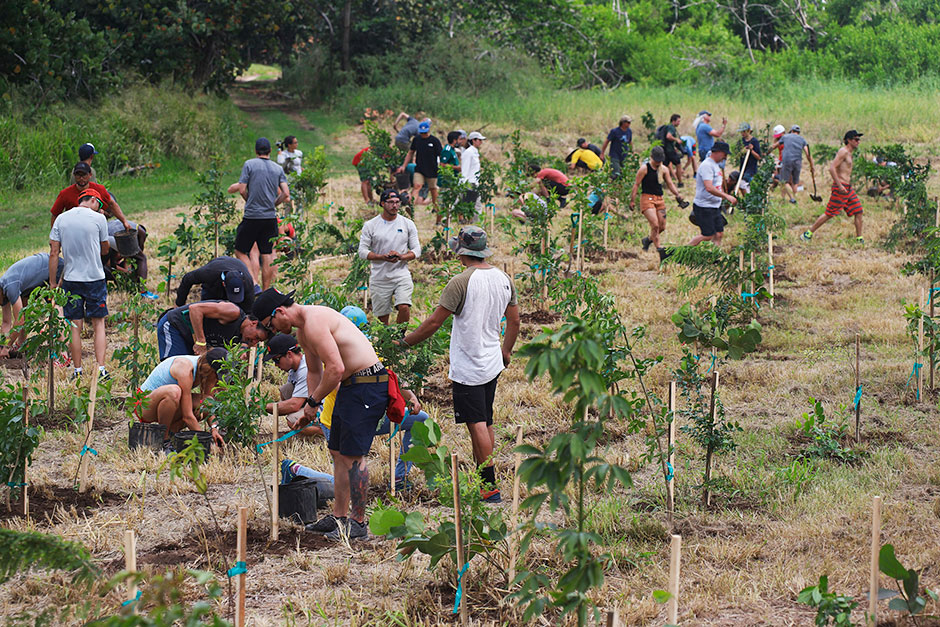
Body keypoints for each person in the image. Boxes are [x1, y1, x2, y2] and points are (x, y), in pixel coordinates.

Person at [253, 289, 389, 541]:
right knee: (337, 451)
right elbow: (315, 373)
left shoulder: (315, 322)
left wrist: (314, 401)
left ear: (280, 312)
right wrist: (310, 406)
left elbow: (335, 368)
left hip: (367, 384)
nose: (271, 330)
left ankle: (358, 522)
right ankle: (339, 517)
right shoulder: (304, 331)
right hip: (351, 387)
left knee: (353, 456)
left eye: (269, 325)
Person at [400, 226, 520, 503]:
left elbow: (433, 322)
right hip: (491, 361)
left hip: (470, 365)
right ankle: (483, 479)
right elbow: (513, 321)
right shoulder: (503, 278)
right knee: (485, 419)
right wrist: (506, 351)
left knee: (476, 422)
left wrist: (405, 343)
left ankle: (489, 487)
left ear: (461, 251)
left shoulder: (461, 282)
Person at [49, 188, 111, 381]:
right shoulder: (99, 219)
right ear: (93, 200)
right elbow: (105, 247)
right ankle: (100, 369)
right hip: (94, 278)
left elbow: (53, 252)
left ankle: (77, 370)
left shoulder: (61, 219)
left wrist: (52, 282)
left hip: (71, 279)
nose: (99, 209)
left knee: (74, 326)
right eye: (99, 205)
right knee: (98, 324)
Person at [227, 138, 291, 290]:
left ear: (256, 151)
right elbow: (286, 193)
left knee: (240, 250)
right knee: (267, 254)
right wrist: (274, 204)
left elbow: (242, 189)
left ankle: (254, 283)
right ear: (269, 151)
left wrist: (249, 201)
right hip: (270, 218)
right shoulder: (277, 168)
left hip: (252, 217)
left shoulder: (249, 164)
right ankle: (266, 290)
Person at [138, 348, 228, 449]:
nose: (216, 380)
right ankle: (164, 440)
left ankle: (173, 431)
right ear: (210, 370)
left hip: (163, 405)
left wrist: (214, 428)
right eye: (216, 376)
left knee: (206, 401)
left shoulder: (202, 368)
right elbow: (187, 416)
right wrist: (204, 443)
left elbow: (208, 405)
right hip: (143, 405)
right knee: (174, 392)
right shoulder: (185, 369)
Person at [358, 189, 421, 324]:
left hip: (401, 274)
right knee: (383, 318)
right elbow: (362, 251)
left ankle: (399, 337)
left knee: (404, 306)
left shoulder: (407, 224)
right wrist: (382, 257)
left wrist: (402, 256)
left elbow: (417, 250)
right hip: (380, 277)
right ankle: (386, 341)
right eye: (391, 202)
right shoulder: (371, 225)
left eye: (397, 202)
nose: (395, 205)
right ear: (382, 203)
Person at [265, 333, 332, 440]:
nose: (276, 365)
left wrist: (263, 406)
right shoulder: (294, 368)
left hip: (326, 407)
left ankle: (329, 432)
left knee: (292, 419)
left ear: (289, 354)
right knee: (286, 390)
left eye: (276, 360)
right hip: (315, 403)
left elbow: (294, 405)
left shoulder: (305, 369)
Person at [802, 130, 865, 243]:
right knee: (830, 213)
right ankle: (808, 234)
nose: (858, 142)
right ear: (849, 140)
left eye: (859, 139)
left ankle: (859, 238)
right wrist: (839, 185)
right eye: (856, 139)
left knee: (858, 211)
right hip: (841, 188)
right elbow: (832, 168)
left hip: (848, 189)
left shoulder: (850, 153)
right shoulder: (843, 152)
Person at [156, 300, 269, 359]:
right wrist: (201, 341)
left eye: (257, 342)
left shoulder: (240, 337)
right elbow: (195, 309)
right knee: (175, 371)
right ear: (253, 323)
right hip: (175, 326)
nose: (254, 342)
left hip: (189, 337)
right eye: (256, 337)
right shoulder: (233, 312)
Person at [0, 253, 64, 357]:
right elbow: (6, 323)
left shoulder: (9, 286)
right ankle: (21, 344)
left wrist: (7, 346)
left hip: (52, 268)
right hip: (35, 279)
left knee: (56, 309)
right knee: (25, 310)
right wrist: (2, 345)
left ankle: (63, 354)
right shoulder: (2, 293)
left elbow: (19, 321)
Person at [629, 147, 687, 259]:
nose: (658, 162)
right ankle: (660, 250)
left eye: (660, 160)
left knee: (662, 226)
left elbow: (670, 183)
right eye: (656, 160)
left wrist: (677, 195)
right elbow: (636, 184)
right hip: (647, 199)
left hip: (659, 199)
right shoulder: (644, 169)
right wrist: (632, 200)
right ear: (652, 158)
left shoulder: (664, 170)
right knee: (655, 225)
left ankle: (648, 240)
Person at [51, 162, 131, 230]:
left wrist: (124, 222)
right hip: (74, 230)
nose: (81, 178)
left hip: (96, 229)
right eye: (78, 175)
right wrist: (54, 236)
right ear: (74, 176)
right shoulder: (65, 194)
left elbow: (112, 204)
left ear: (90, 175)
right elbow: (55, 214)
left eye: (84, 175)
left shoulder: (100, 189)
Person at [688, 141, 737, 247]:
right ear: (718, 152)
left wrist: (725, 197)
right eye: (725, 154)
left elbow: (717, 186)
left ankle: (715, 257)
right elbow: (709, 187)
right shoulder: (707, 166)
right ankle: (682, 251)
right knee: (707, 235)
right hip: (704, 207)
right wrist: (726, 196)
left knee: (719, 234)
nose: (725, 157)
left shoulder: (715, 166)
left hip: (714, 206)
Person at [175, 256, 255, 313]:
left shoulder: (248, 283)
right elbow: (187, 279)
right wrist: (179, 304)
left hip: (235, 266)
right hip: (213, 284)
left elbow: (248, 311)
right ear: (224, 284)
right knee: (208, 311)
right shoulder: (208, 274)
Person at [399, 120, 442, 208]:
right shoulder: (417, 139)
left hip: (432, 170)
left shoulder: (435, 141)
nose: (423, 135)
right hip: (419, 169)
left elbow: (440, 155)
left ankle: (437, 208)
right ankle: (411, 209)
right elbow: (410, 152)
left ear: (428, 131)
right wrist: (404, 165)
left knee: (433, 190)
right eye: (422, 133)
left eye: (425, 133)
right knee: (417, 186)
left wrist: (441, 168)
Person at [778, 125, 814, 204]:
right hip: (798, 162)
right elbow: (808, 154)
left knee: (784, 181)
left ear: (791, 131)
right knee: (795, 181)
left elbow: (775, 145)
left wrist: (767, 151)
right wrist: (812, 166)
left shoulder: (786, 137)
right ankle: (794, 198)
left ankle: (792, 198)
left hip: (787, 161)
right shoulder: (802, 140)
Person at [460, 131, 485, 216]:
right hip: (470, 182)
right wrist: (463, 182)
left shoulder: (474, 152)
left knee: (477, 204)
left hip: (475, 182)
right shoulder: (469, 152)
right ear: (473, 140)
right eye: (479, 140)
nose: (481, 142)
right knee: (462, 203)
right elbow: (465, 168)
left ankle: (477, 223)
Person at [660, 114, 685, 187]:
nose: (679, 123)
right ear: (673, 121)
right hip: (670, 150)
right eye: (678, 121)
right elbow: (668, 136)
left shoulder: (668, 127)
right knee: (678, 164)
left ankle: (664, 183)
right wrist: (676, 139)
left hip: (665, 150)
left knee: (665, 166)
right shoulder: (671, 128)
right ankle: (680, 182)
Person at [738, 123, 762, 191]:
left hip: (751, 168)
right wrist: (742, 151)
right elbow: (737, 155)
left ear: (748, 131)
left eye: (744, 131)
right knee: (741, 184)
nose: (742, 133)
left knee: (748, 183)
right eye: (741, 132)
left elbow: (759, 157)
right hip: (743, 167)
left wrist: (751, 150)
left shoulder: (754, 141)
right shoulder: (741, 141)